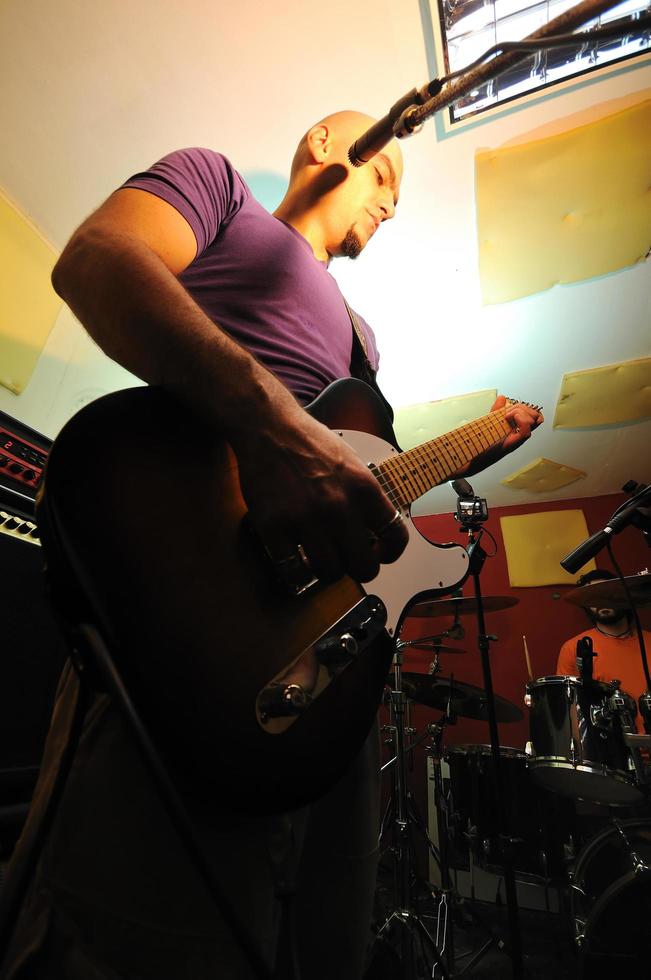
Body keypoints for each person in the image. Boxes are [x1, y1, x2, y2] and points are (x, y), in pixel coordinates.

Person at [1, 111, 542, 980]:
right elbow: (96, 260)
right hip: (187, 626)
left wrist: (474, 442)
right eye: (384, 177)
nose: (393, 206)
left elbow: (360, 478)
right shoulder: (219, 193)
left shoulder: (366, 340)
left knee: (319, 947)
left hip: (338, 674)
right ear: (327, 145)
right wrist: (270, 428)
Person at [557, 568, 651, 733]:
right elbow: (570, 711)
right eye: (592, 597)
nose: (600, 602)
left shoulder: (648, 640)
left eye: (606, 594)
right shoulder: (574, 648)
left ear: (622, 596)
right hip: (611, 750)